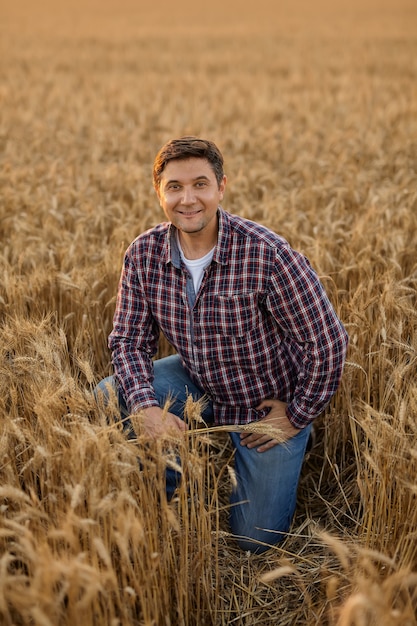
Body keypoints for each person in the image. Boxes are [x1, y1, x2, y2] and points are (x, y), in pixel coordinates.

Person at [96, 136, 348, 553]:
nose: (188, 198)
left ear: (221, 187)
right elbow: (128, 340)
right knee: (109, 396)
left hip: (264, 401)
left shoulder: (266, 253)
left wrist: (298, 414)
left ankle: (296, 444)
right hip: (198, 377)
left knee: (253, 541)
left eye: (200, 184)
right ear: (158, 191)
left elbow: (328, 340)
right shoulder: (143, 254)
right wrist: (146, 409)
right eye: (174, 186)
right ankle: (169, 480)